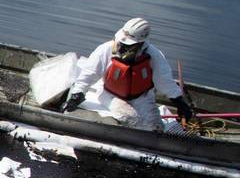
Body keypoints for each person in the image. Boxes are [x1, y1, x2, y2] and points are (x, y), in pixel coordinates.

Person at [61, 18, 195, 130]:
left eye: (130, 45)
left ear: (141, 43)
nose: (124, 47)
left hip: (142, 97)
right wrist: (78, 93)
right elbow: (89, 73)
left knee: (156, 128)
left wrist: (180, 103)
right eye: (123, 43)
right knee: (129, 117)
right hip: (110, 94)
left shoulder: (154, 55)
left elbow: (165, 81)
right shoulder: (106, 49)